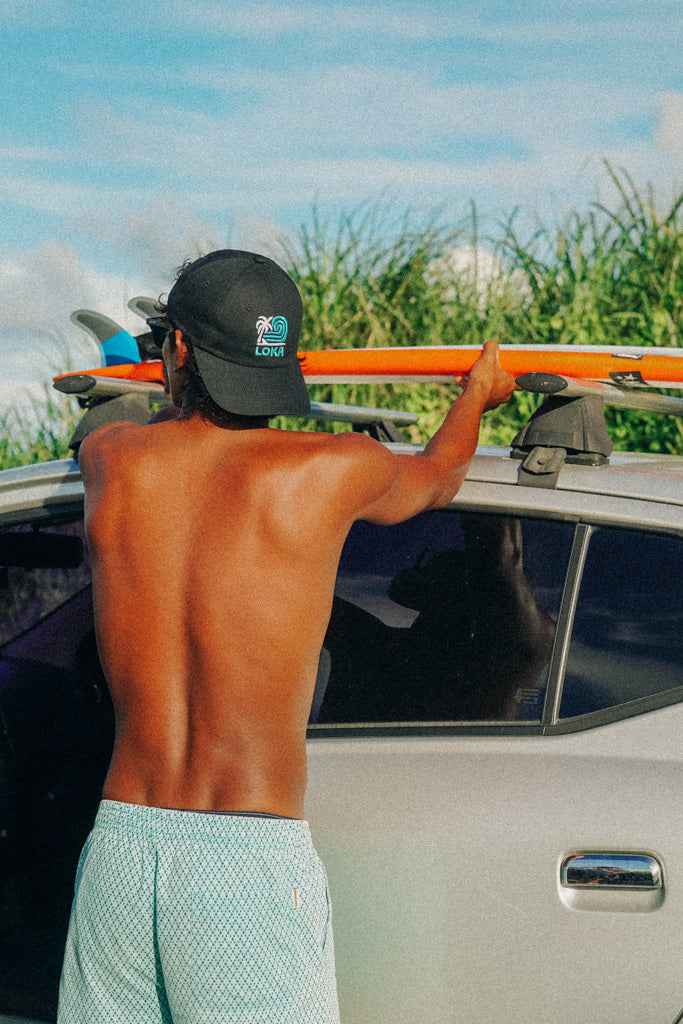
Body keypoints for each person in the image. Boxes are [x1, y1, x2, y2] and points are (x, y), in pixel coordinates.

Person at [57, 249, 517, 1023]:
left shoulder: (112, 459)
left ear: (176, 350)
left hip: (122, 854)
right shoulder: (336, 468)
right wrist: (475, 397)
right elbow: (439, 474)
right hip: (245, 859)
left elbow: (142, 427)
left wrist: (157, 377)